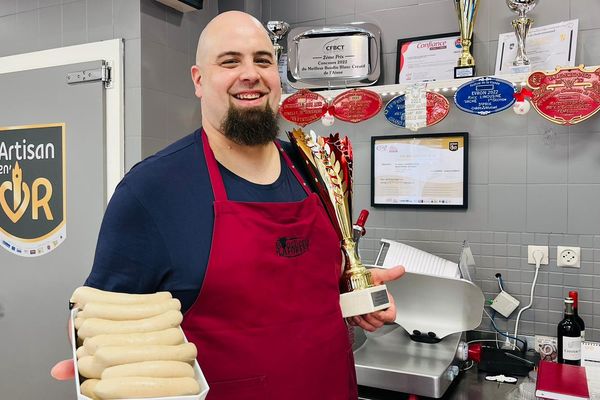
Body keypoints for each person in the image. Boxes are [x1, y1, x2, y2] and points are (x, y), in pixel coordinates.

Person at [52, 11, 405, 399]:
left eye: (263, 60)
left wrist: (353, 291)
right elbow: (104, 321)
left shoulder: (315, 166)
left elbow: (311, 286)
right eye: (230, 61)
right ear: (199, 80)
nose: (250, 73)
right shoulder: (152, 190)